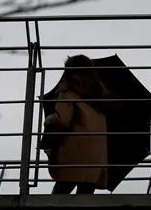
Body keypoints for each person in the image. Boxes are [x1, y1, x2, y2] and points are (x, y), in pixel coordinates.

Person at [44, 55, 109, 194]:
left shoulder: (68, 92)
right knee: (84, 200)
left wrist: (50, 120)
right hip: (96, 159)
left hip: (73, 155)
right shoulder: (101, 94)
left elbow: (62, 120)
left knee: (59, 197)